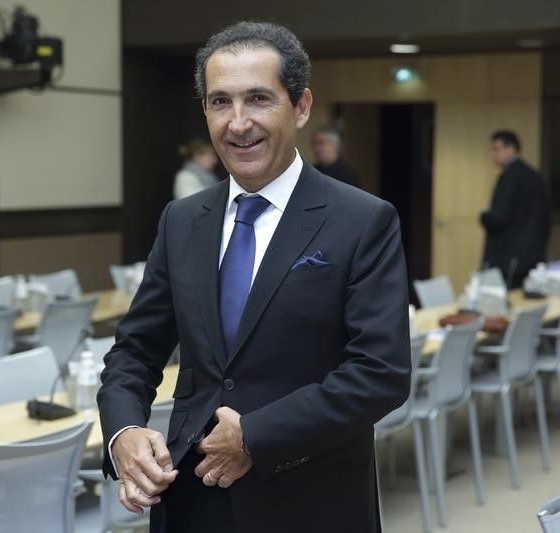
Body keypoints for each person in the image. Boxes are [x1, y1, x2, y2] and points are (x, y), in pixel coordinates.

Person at [97, 21, 410, 533]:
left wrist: (256, 436)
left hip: (310, 499)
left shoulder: (362, 219)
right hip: (191, 498)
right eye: (221, 102)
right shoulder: (181, 220)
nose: (238, 123)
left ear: (302, 107)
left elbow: (381, 373)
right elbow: (134, 350)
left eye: (259, 99)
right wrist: (124, 431)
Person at [481, 130, 550, 288]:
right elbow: (545, 219)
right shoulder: (534, 175)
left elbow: (499, 217)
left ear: (511, 148)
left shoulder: (509, 177)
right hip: (531, 255)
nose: (493, 155)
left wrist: (484, 216)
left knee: (501, 305)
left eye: (496, 149)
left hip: (506, 257)